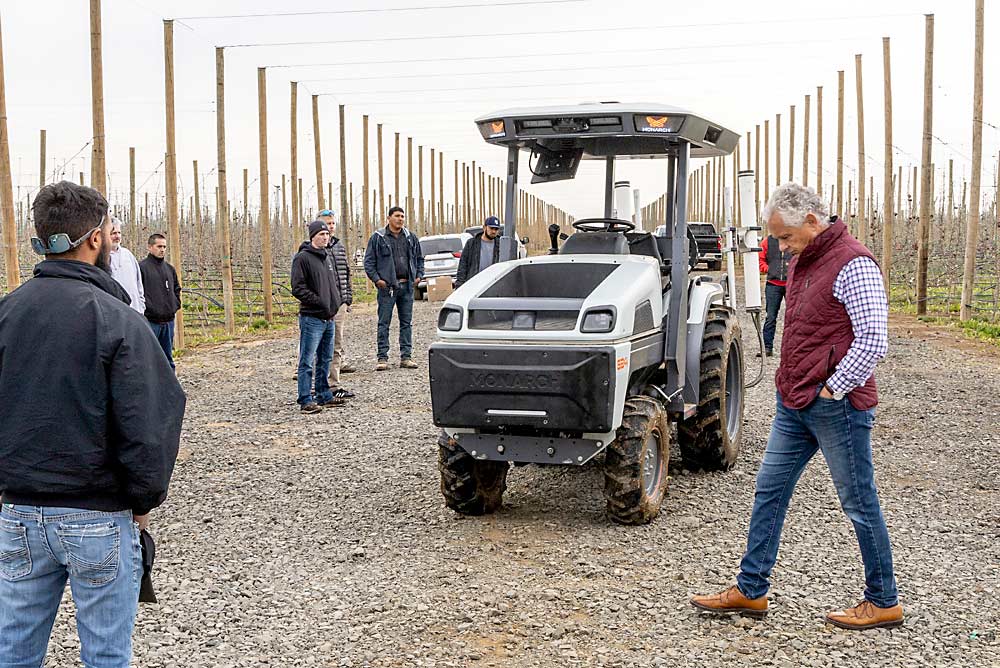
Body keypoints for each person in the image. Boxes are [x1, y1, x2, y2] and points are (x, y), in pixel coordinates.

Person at [691, 183, 901, 631]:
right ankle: (751, 590)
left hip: (835, 406)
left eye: (785, 237)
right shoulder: (808, 258)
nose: (781, 247)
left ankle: (883, 599)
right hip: (795, 402)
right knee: (769, 490)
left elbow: (873, 339)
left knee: (859, 502)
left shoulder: (854, 263)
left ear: (811, 220)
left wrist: (834, 389)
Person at [0, 181, 185, 668]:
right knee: (105, 655)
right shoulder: (118, 319)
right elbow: (151, 421)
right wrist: (143, 500)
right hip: (98, 517)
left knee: (13, 651)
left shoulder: (7, 313)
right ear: (95, 238)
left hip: (18, 514)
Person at [291, 219, 345, 413]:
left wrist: (335, 302)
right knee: (307, 360)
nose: (325, 237)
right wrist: (319, 301)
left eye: (327, 234)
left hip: (328, 317)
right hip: (312, 317)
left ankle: (324, 394)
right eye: (321, 234)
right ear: (313, 236)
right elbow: (297, 288)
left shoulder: (326, 257)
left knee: (325, 358)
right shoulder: (302, 258)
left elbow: (333, 285)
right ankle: (305, 398)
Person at [363, 206, 424, 371]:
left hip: (407, 286)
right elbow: (368, 262)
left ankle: (406, 357)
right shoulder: (378, 238)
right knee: (384, 323)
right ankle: (382, 358)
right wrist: (377, 280)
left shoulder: (411, 237)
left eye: (403, 216)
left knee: (406, 323)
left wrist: (418, 276)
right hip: (387, 288)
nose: (400, 219)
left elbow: (419, 259)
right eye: (397, 216)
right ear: (388, 218)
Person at [318, 209, 357, 396]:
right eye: (327, 223)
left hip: (339, 302)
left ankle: (333, 384)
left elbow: (346, 272)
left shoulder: (339, 247)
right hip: (322, 304)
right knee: (320, 344)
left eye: (333, 223)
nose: (331, 227)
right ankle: (318, 384)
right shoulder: (313, 249)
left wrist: (347, 297)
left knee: (336, 342)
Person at [139, 233, 182, 369]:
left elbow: (177, 288)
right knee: (149, 358)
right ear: (150, 247)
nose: (162, 249)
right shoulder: (142, 268)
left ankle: (170, 388)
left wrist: (174, 305)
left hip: (168, 322)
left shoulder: (169, 269)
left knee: (168, 359)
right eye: (159, 246)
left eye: (164, 246)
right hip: (151, 322)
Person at [757, 233, 793, 356]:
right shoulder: (767, 241)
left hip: (791, 284)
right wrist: (769, 269)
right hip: (773, 285)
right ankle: (767, 348)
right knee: (770, 317)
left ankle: (792, 348)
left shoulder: (793, 239)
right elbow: (760, 259)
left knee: (793, 318)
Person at [108, 217, 145, 314]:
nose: (117, 236)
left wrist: (141, 306)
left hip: (135, 312)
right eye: (113, 233)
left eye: (119, 233)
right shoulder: (101, 258)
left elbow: (138, 282)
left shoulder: (128, 255)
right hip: (116, 314)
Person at [455, 215, 501, 288]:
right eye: (491, 228)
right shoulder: (472, 243)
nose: (494, 231)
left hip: (493, 284)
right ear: (484, 227)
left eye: (496, 229)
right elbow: (463, 265)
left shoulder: (501, 245)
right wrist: (459, 286)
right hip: (474, 284)